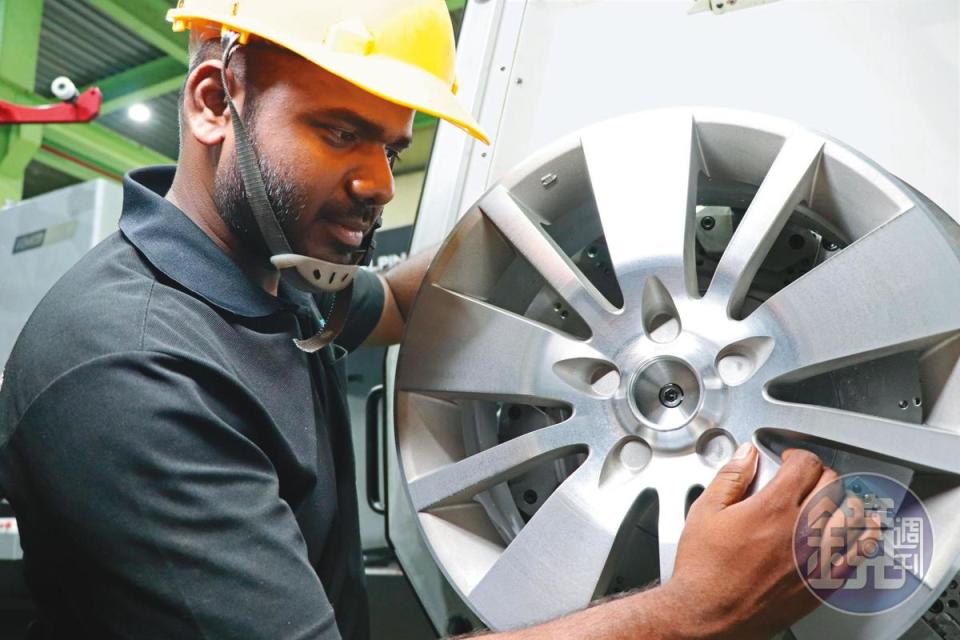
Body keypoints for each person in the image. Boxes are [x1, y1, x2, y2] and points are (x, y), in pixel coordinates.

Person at [0, 1, 863, 638]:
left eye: (393, 147)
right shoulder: (132, 369)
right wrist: (690, 610)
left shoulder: (281, 281)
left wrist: (592, 257)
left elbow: (415, 301)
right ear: (213, 104)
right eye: (340, 132)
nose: (377, 182)